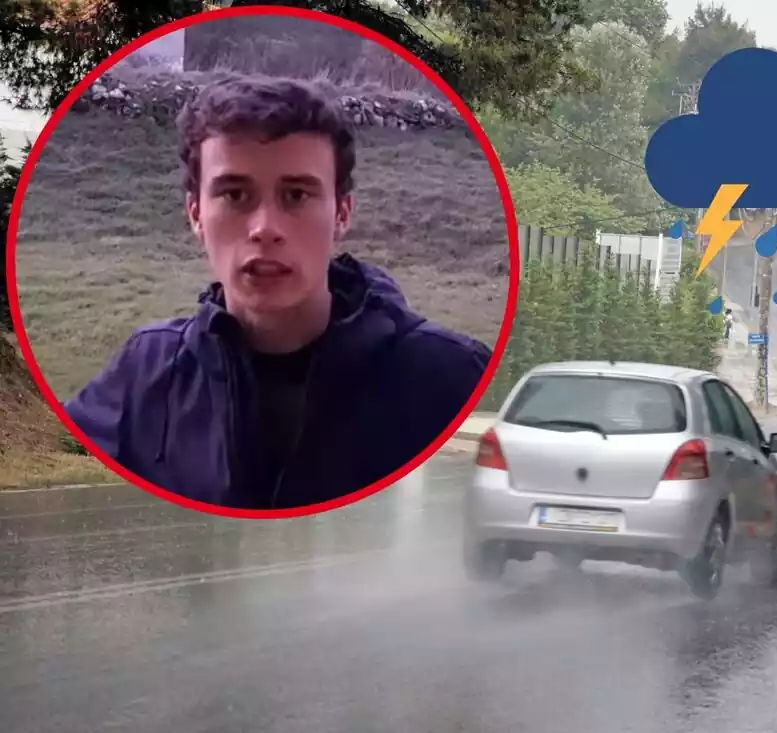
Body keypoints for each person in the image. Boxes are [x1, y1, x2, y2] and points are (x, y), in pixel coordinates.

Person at [64, 75, 494, 510]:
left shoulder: (450, 378)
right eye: (234, 194)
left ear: (342, 213)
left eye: (296, 195)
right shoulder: (144, 374)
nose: (264, 228)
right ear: (195, 214)